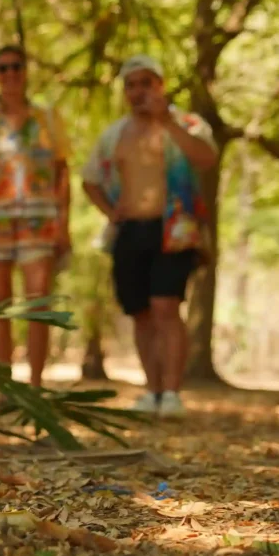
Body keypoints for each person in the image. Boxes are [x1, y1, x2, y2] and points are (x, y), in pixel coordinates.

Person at [82, 55, 218, 417]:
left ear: (160, 85)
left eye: (146, 82)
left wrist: (167, 121)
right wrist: (110, 212)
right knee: (140, 313)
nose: (139, 91)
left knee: (166, 307)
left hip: (175, 229)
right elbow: (89, 179)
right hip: (129, 231)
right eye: (131, 84)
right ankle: (152, 390)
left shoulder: (187, 124)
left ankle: (172, 393)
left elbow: (207, 159)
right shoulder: (113, 135)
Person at [0, 45, 73, 388]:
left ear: (25, 71)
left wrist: (63, 224)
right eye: (3, 68)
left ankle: (35, 385)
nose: (10, 74)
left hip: (40, 222)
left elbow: (63, 172)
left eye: (16, 67)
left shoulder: (48, 118)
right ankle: (4, 384)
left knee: (39, 304)